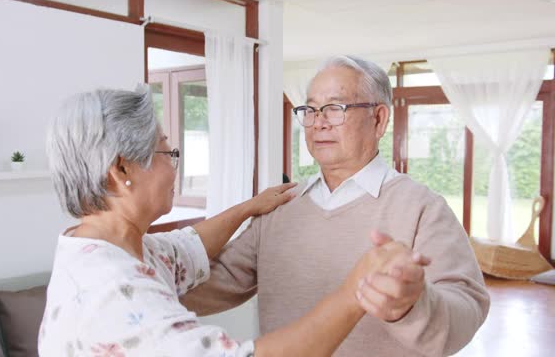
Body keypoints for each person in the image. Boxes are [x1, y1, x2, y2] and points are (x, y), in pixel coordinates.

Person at [38, 87, 428, 356]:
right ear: (120, 169)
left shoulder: (111, 245)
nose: (175, 166)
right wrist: (356, 292)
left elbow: (186, 247)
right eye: (166, 152)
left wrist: (247, 208)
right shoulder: (111, 290)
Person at [181, 56, 490, 357]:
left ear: (379, 119)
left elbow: (466, 308)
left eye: (335, 108)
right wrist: (139, 272)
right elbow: (211, 282)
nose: (319, 123)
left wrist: (414, 304)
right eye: (311, 109)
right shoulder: (281, 205)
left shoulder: (422, 208)